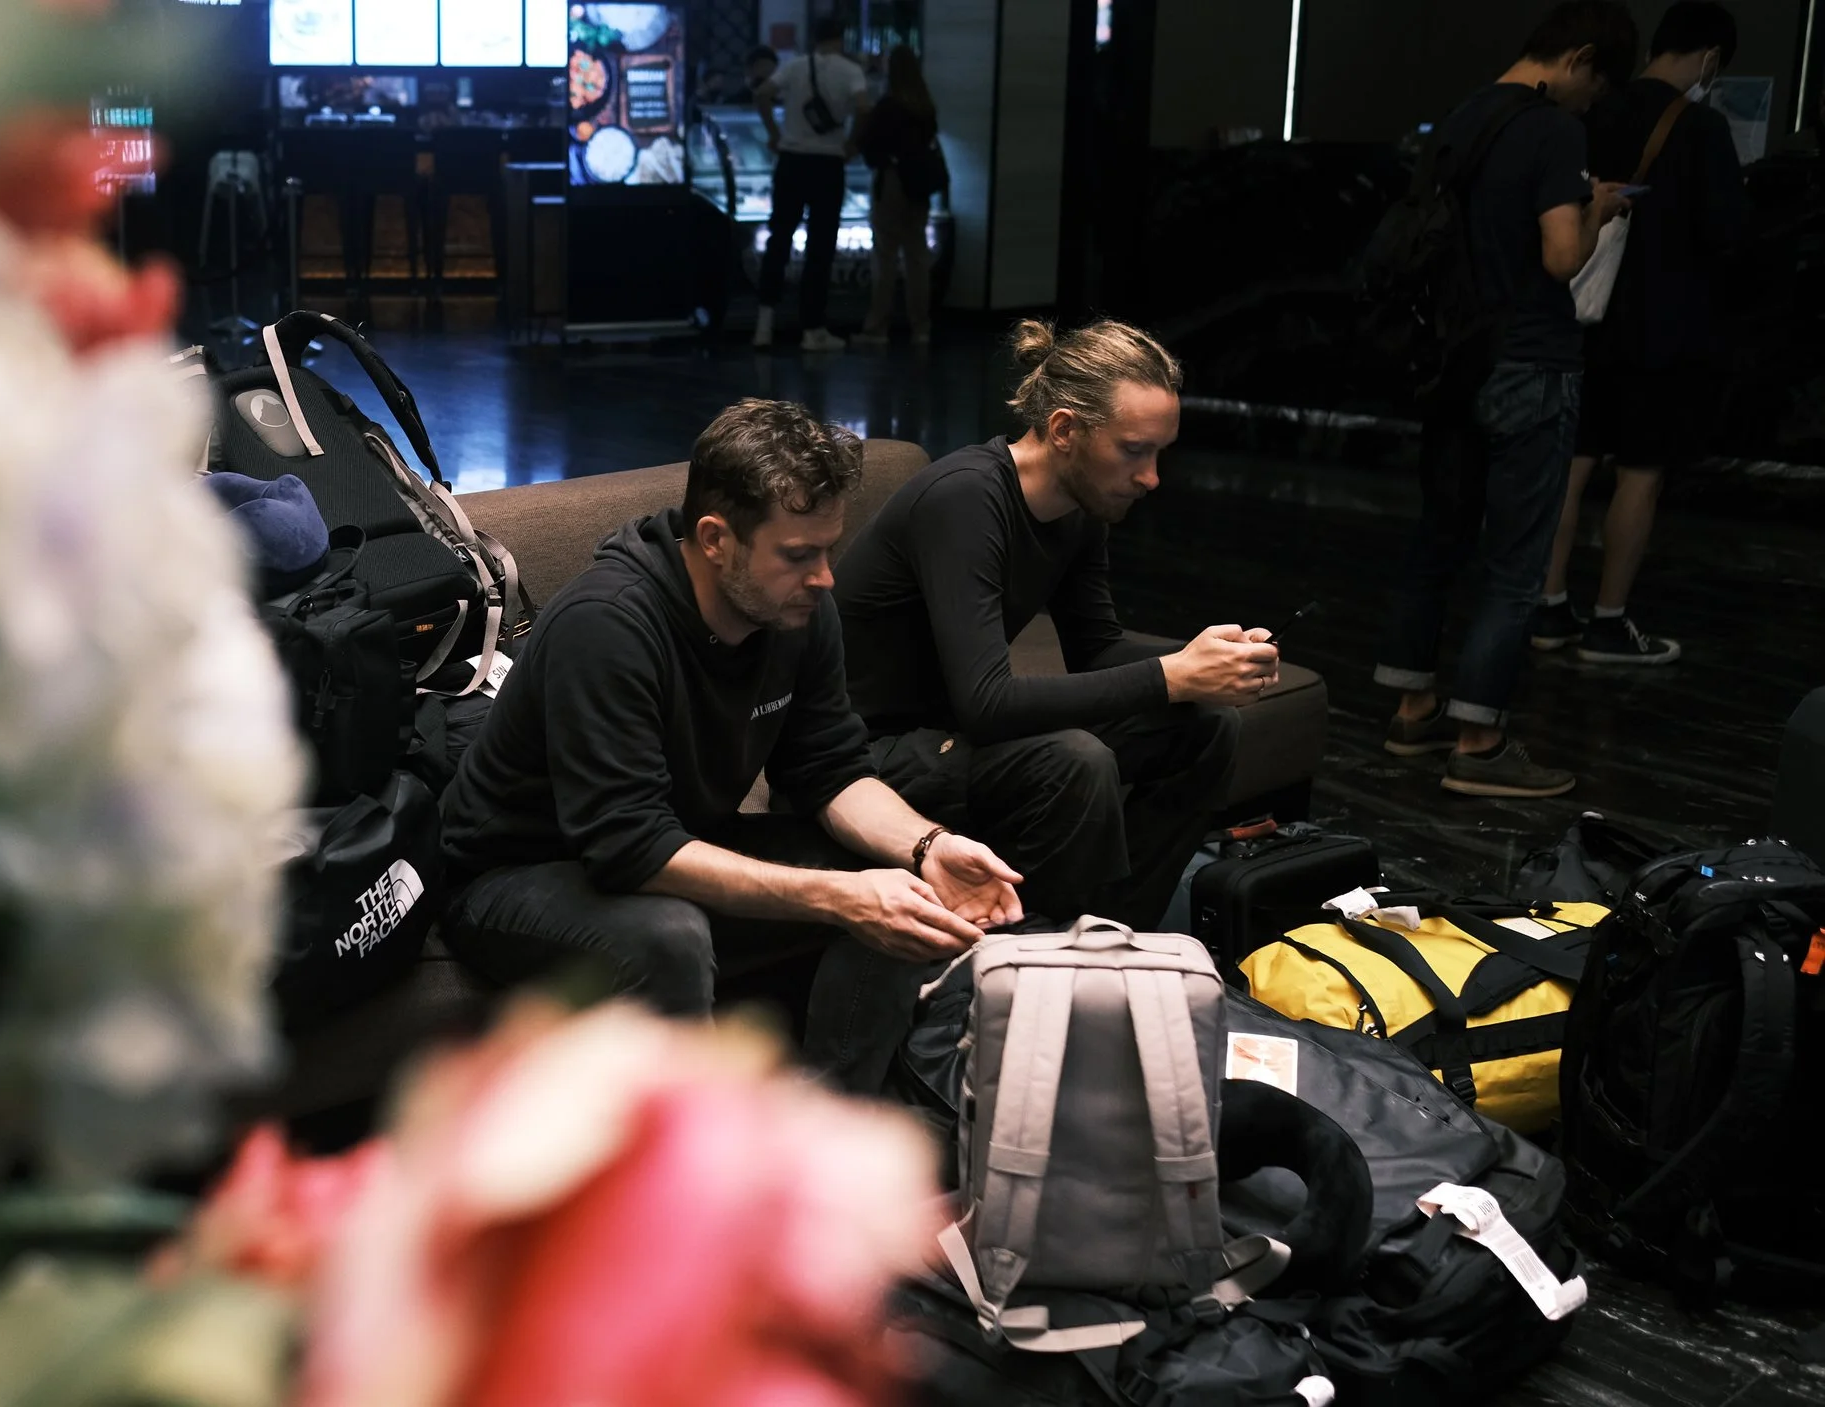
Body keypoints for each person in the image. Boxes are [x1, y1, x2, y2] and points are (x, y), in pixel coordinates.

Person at [439, 398, 1024, 1091]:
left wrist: (927, 846)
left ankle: (831, 1111)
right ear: (715, 539)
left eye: (828, 549)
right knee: (669, 934)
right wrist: (840, 897)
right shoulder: (608, 625)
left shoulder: (797, 610)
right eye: (799, 554)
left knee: (907, 893)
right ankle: (703, 1148)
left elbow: (832, 770)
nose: (825, 576)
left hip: (673, 838)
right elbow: (627, 846)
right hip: (512, 877)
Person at [834, 320, 1261, 930]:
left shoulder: (1081, 510)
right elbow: (986, 703)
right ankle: (1040, 952)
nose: (1151, 477)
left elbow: (1098, 649)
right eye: (1133, 450)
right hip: (868, 751)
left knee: (1208, 725)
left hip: (949, 729)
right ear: (1064, 430)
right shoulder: (967, 498)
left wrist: (1206, 660)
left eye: (1159, 452)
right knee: (1075, 760)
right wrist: (1172, 675)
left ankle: (1118, 933)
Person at [1375, 1, 1638, 799]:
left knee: (1438, 535)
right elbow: (1560, 257)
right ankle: (1480, 741)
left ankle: (1412, 709)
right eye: (1597, 86)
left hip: (1454, 360)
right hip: (1530, 358)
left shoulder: (1459, 120)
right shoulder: (1552, 130)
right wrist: (1598, 209)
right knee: (1517, 559)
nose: (1590, 103)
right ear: (1580, 59)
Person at [1533, 2, 1748, 665]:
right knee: (1640, 476)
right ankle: (1608, 622)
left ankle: (1548, 607)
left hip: (1583, 318)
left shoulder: (1595, 110)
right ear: (1710, 58)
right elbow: (1727, 232)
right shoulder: (1703, 128)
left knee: (1570, 469)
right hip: (1662, 331)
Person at [752, 17, 870, 353]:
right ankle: (813, 329)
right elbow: (864, 108)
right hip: (828, 164)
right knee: (820, 245)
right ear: (841, 38)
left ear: (813, 38)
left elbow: (762, 94)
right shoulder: (850, 71)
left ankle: (764, 323)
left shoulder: (795, 66)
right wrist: (852, 143)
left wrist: (775, 134)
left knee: (779, 238)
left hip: (791, 161)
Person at [853, 45, 938, 349]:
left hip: (891, 183)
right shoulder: (925, 105)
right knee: (917, 257)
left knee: (885, 256)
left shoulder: (888, 106)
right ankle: (921, 327)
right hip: (920, 186)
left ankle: (877, 328)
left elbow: (869, 146)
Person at [696, 45, 779, 107]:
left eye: (770, 73)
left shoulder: (779, 105)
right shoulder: (731, 105)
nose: (765, 77)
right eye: (762, 71)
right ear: (748, 70)